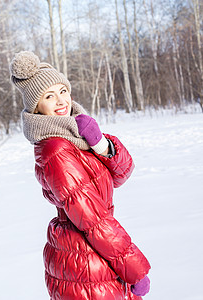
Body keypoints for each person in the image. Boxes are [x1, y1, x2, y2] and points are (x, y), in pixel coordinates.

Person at [10, 51, 151, 299]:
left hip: (97, 253)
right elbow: (92, 219)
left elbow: (122, 174)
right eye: (49, 96)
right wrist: (134, 269)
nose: (61, 101)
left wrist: (101, 145)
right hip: (83, 263)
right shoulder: (55, 149)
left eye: (62, 91)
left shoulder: (76, 135)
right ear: (37, 107)